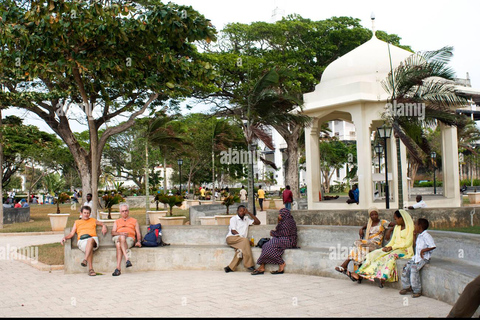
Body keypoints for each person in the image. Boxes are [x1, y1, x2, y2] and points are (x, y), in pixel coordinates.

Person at [351, 209, 414, 288]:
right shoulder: (397, 228)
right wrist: (386, 247)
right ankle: (360, 272)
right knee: (374, 254)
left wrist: (392, 247)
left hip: (404, 250)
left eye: (396, 219)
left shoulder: (410, 228)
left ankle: (382, 277)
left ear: (402, 218)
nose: (395, 221)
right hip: (393, 248)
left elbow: (407, 243)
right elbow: (392, 241)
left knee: (388, 257)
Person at [335, 206, 394, 276]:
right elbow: (365, 226)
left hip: (376, 245)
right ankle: (356, 274)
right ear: (370, 216)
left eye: (376, 214)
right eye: (372, 215)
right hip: (368, 245)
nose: (374, 216)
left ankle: (345, 265)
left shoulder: (382, 222)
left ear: (378, 214)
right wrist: (361, 229)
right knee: (358, 249)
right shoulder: (369, 223)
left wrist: (389, 230)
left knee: (356, 243)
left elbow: (396, 224)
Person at [60, 206, 108, 276]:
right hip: (82, 241)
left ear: (90, 214)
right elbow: (72, 233)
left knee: (90, 240)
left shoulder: (93, 220)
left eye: (88, 213)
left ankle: (85, 260)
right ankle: (91, 269)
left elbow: (102, 223)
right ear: (81, 213)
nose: (86, 214)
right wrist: (65, 237)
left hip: (93, 240)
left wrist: (104, 226)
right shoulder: (77, 222)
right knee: (89, 246)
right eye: (85, 213)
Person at [251, 208, 297, 275]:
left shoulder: (289, 222)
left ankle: (281, 263)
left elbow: (284, 233)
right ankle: (262, 266)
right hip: (281, 239)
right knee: (265, 246)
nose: (279, 215)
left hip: (289, 240)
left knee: (269, 246)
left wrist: (273, 233)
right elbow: (279, 230)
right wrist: (278, 222)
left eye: (280, 214)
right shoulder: (283, 221)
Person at [399, 218, 436, 298]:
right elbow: (415, 245)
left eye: (415, 224)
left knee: (414, 270)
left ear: (420, 226)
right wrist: (414, 235)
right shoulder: (420, 235)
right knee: (406, 268)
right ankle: (407, 287)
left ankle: (417, 290)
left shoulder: (426, 236)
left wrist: (423, 250)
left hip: (423, 259)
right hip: (416, 258)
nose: (414, 226)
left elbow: (433, 246)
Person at [224, 205, 261, 273]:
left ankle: (229, 267)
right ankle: (249, 265)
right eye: (240, 211)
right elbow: (233, 231)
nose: (242, 212)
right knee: (245, 241)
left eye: (243, 211)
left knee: (240, 251)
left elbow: (258, 222)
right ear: (237, 211)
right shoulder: (233, 219)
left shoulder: (246, 220)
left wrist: (249, 213)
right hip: (231, 238)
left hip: (241, 241)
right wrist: (244, 240)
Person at [111, 203, 142, 276]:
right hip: (118, 237)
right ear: (120, 212)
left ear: (128, 211)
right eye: (123, 211)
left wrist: (138, 241)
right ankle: (127, 259)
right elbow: (112, 232)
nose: (124, 212)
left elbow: (138, 232)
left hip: (129, 239)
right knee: (121, 237)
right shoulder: (117, 221)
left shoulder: (134, 221)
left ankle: (118, 269)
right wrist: (120, 233)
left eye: (126, 211)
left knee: (118, 245)